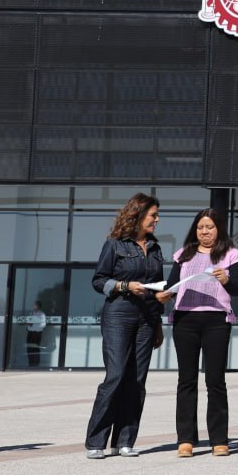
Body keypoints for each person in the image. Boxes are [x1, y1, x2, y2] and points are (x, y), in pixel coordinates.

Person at [85, 193, 171, 459]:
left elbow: (156, 285)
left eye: (157, 215)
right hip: (118, 315)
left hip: (147, 318)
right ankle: (96, 440)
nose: (157, 220)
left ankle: (125, 440)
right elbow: (99, 281)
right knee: (116, 375)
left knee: (137, 380)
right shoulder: (115, 245)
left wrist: (159, 311)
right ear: (137, 214)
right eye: (153, 215)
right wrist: (123, 286)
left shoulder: (155, 248)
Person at [169, 208, 238, 458]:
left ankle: (219, 439)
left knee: (215, 379)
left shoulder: (232, 255)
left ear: (219, 229)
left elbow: (237, 289)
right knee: (186, 380)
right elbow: (170, 286)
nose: (204, 232)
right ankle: (186, 439)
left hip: (216, 320)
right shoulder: (183, 255)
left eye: (210, 227)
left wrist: (225, 279)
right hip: (185, 319)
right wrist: (162, 293)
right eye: (200, 227)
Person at [26, 301, 47, 367]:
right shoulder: (30, 313)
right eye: (33, 305)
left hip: (37, 334)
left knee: (36, 349)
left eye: (35, 305)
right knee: (29, 349)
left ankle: (36, 365)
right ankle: (30, 364)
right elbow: (28, 324)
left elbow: (43, 325)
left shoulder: (42, 314)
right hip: (30, 333)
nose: (34, 307)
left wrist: (34, 325)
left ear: (39, 306)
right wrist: (29, 326)